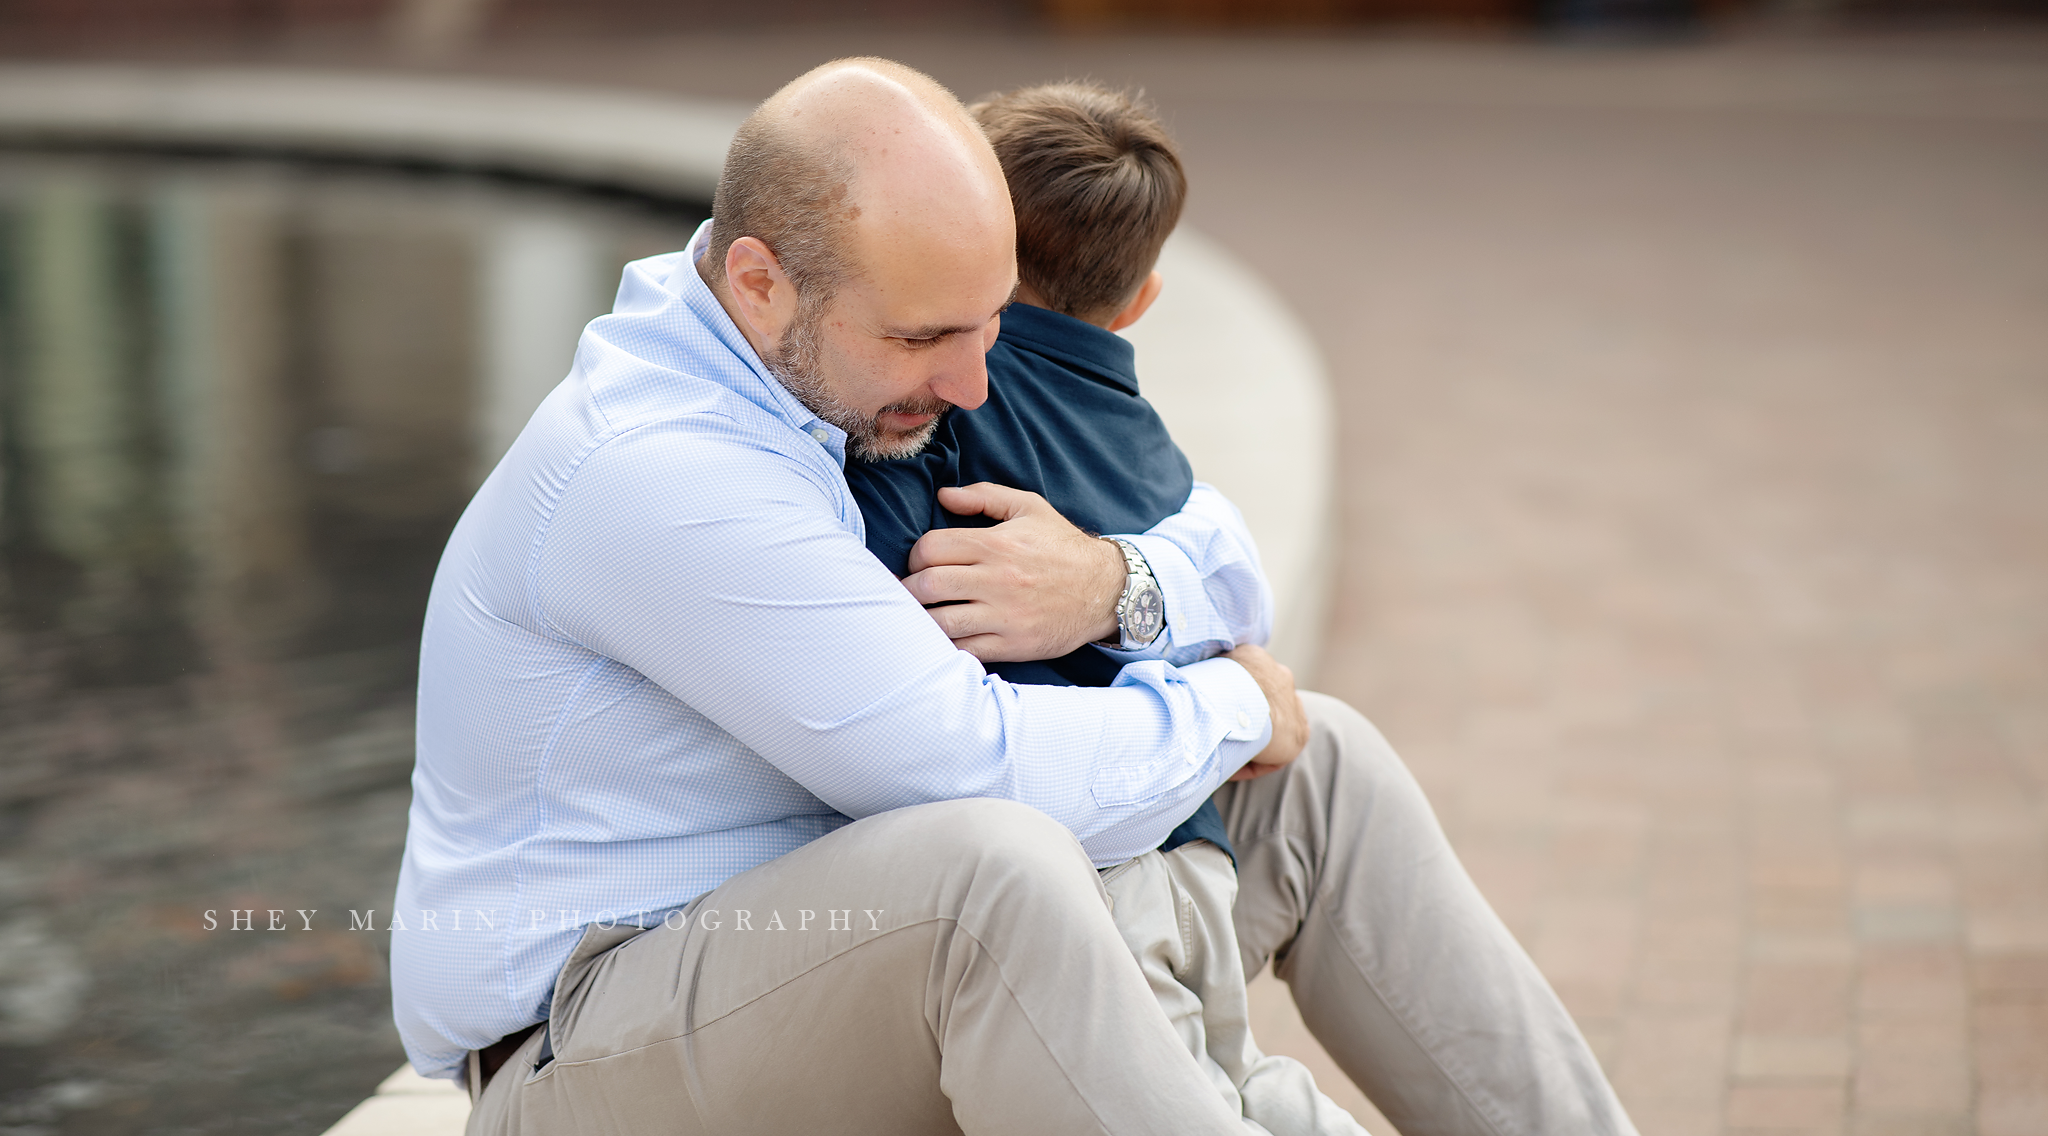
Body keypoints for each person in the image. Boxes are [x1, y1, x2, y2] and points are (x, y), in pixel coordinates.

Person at [393, 56, 1639, 1136]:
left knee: (1318, 777)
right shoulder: (661, 475)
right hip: (594, 1048)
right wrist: (1230, 707)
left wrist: (1115, 587)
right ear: (762, 283)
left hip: (815, 952)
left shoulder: (807, 365)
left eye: (990, 324)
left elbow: (1189, 529)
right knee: (992, 876)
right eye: (927, 339)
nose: (977, 384)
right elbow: (964, 768)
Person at [844, 80, 1362, 1133]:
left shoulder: (934, 416)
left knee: (1203, 1101)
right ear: (1138, 305)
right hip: (1202, 855)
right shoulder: (1145, 439)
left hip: (1096, 884)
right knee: (1241, 1083)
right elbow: (1225, 570)